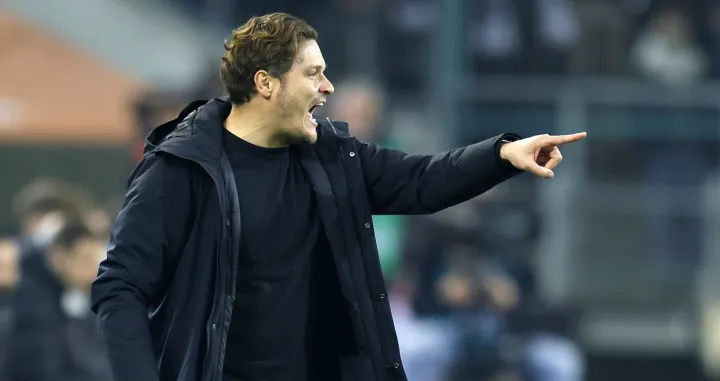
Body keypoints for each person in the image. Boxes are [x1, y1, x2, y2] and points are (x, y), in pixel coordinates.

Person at [90, 12, 586, 381]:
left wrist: (501, 155)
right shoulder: (179, 170)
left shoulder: (332, 157)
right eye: (312, 74)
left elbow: (421, 180)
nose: (327, 87)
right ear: (265, 83)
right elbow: (120, 287)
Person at [7, 223, 112, 381]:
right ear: (57, 257)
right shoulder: (33, 304)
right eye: (84, 260)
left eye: (95, 260)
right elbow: (40, 370)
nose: (93, 270)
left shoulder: (85, 297)